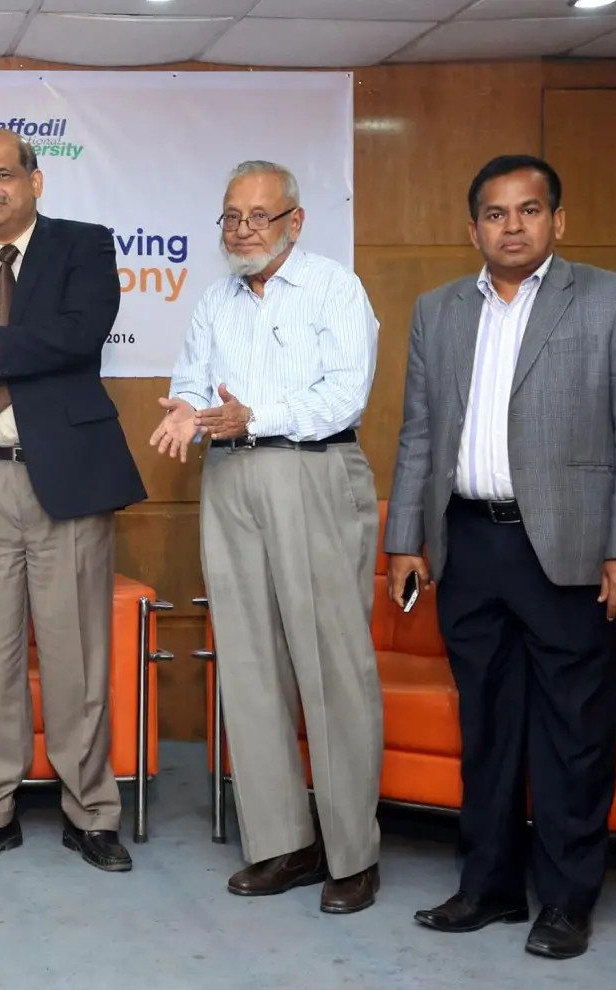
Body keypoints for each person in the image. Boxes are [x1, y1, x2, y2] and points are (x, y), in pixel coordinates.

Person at [386, 154, 616, 959]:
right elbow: (418, 433)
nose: (513, 226)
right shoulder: (438, 309)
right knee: (487, 726)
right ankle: (491, 887)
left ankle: (568, 900)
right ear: (472, 228)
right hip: (468, 544)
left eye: (530, 210)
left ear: (558, 220)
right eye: (496, 213)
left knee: (576, 731)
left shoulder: (613, 299)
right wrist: (404, 539)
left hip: (572, 553)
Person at [0, 129, 147, 873]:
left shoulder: (82, 246)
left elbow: (76, 337)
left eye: (3, 175)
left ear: (35, 181)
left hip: (63, 479)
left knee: (77, 657)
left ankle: (92, 812)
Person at [151, 160, 383, 913]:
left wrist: (254, 414)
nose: (242, 230)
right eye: (231, 216)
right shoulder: (215, 298)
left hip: (311, 470)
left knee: (331, 665)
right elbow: (193, 379)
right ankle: (284, 842)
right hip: (229, 476)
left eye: (258, 216)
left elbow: (344, 394)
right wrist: (187, 409)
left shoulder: (334, 288)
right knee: (249, 663)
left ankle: (353, 852)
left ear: (295, 221)